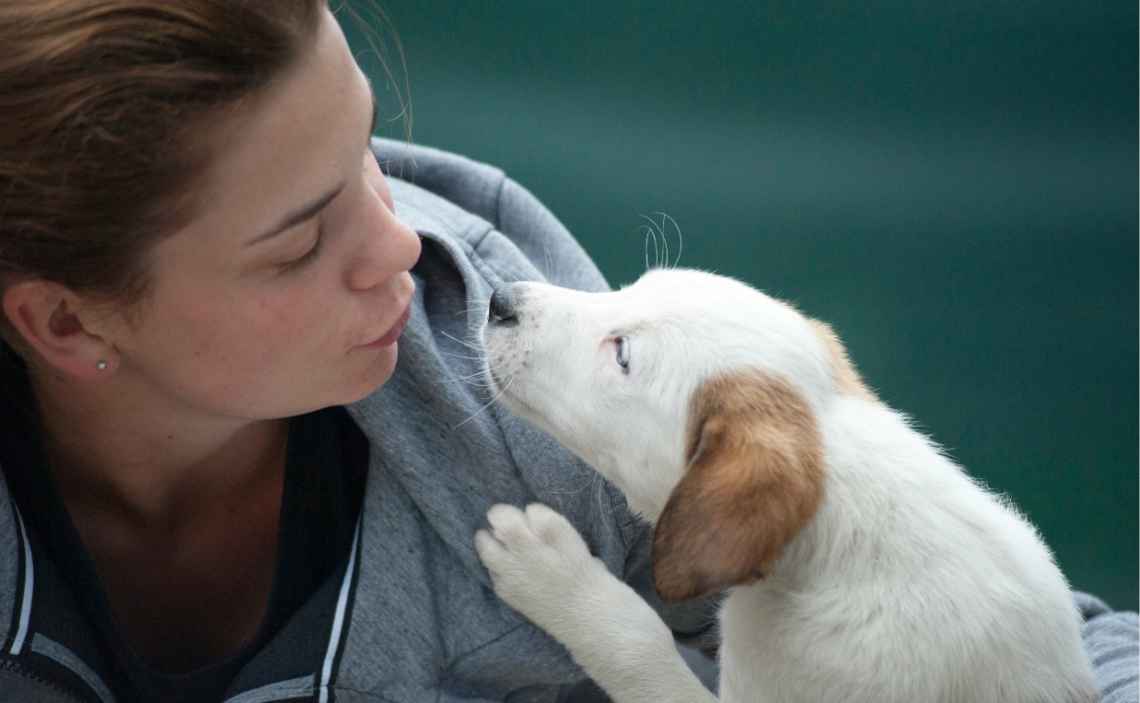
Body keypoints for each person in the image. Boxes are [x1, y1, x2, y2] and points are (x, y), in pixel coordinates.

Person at [0, 2, 1133, 702]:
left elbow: (1031, 648)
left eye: (365, 152)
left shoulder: (531, 438)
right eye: (301, 240)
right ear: (62, 321)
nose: (401, 241)